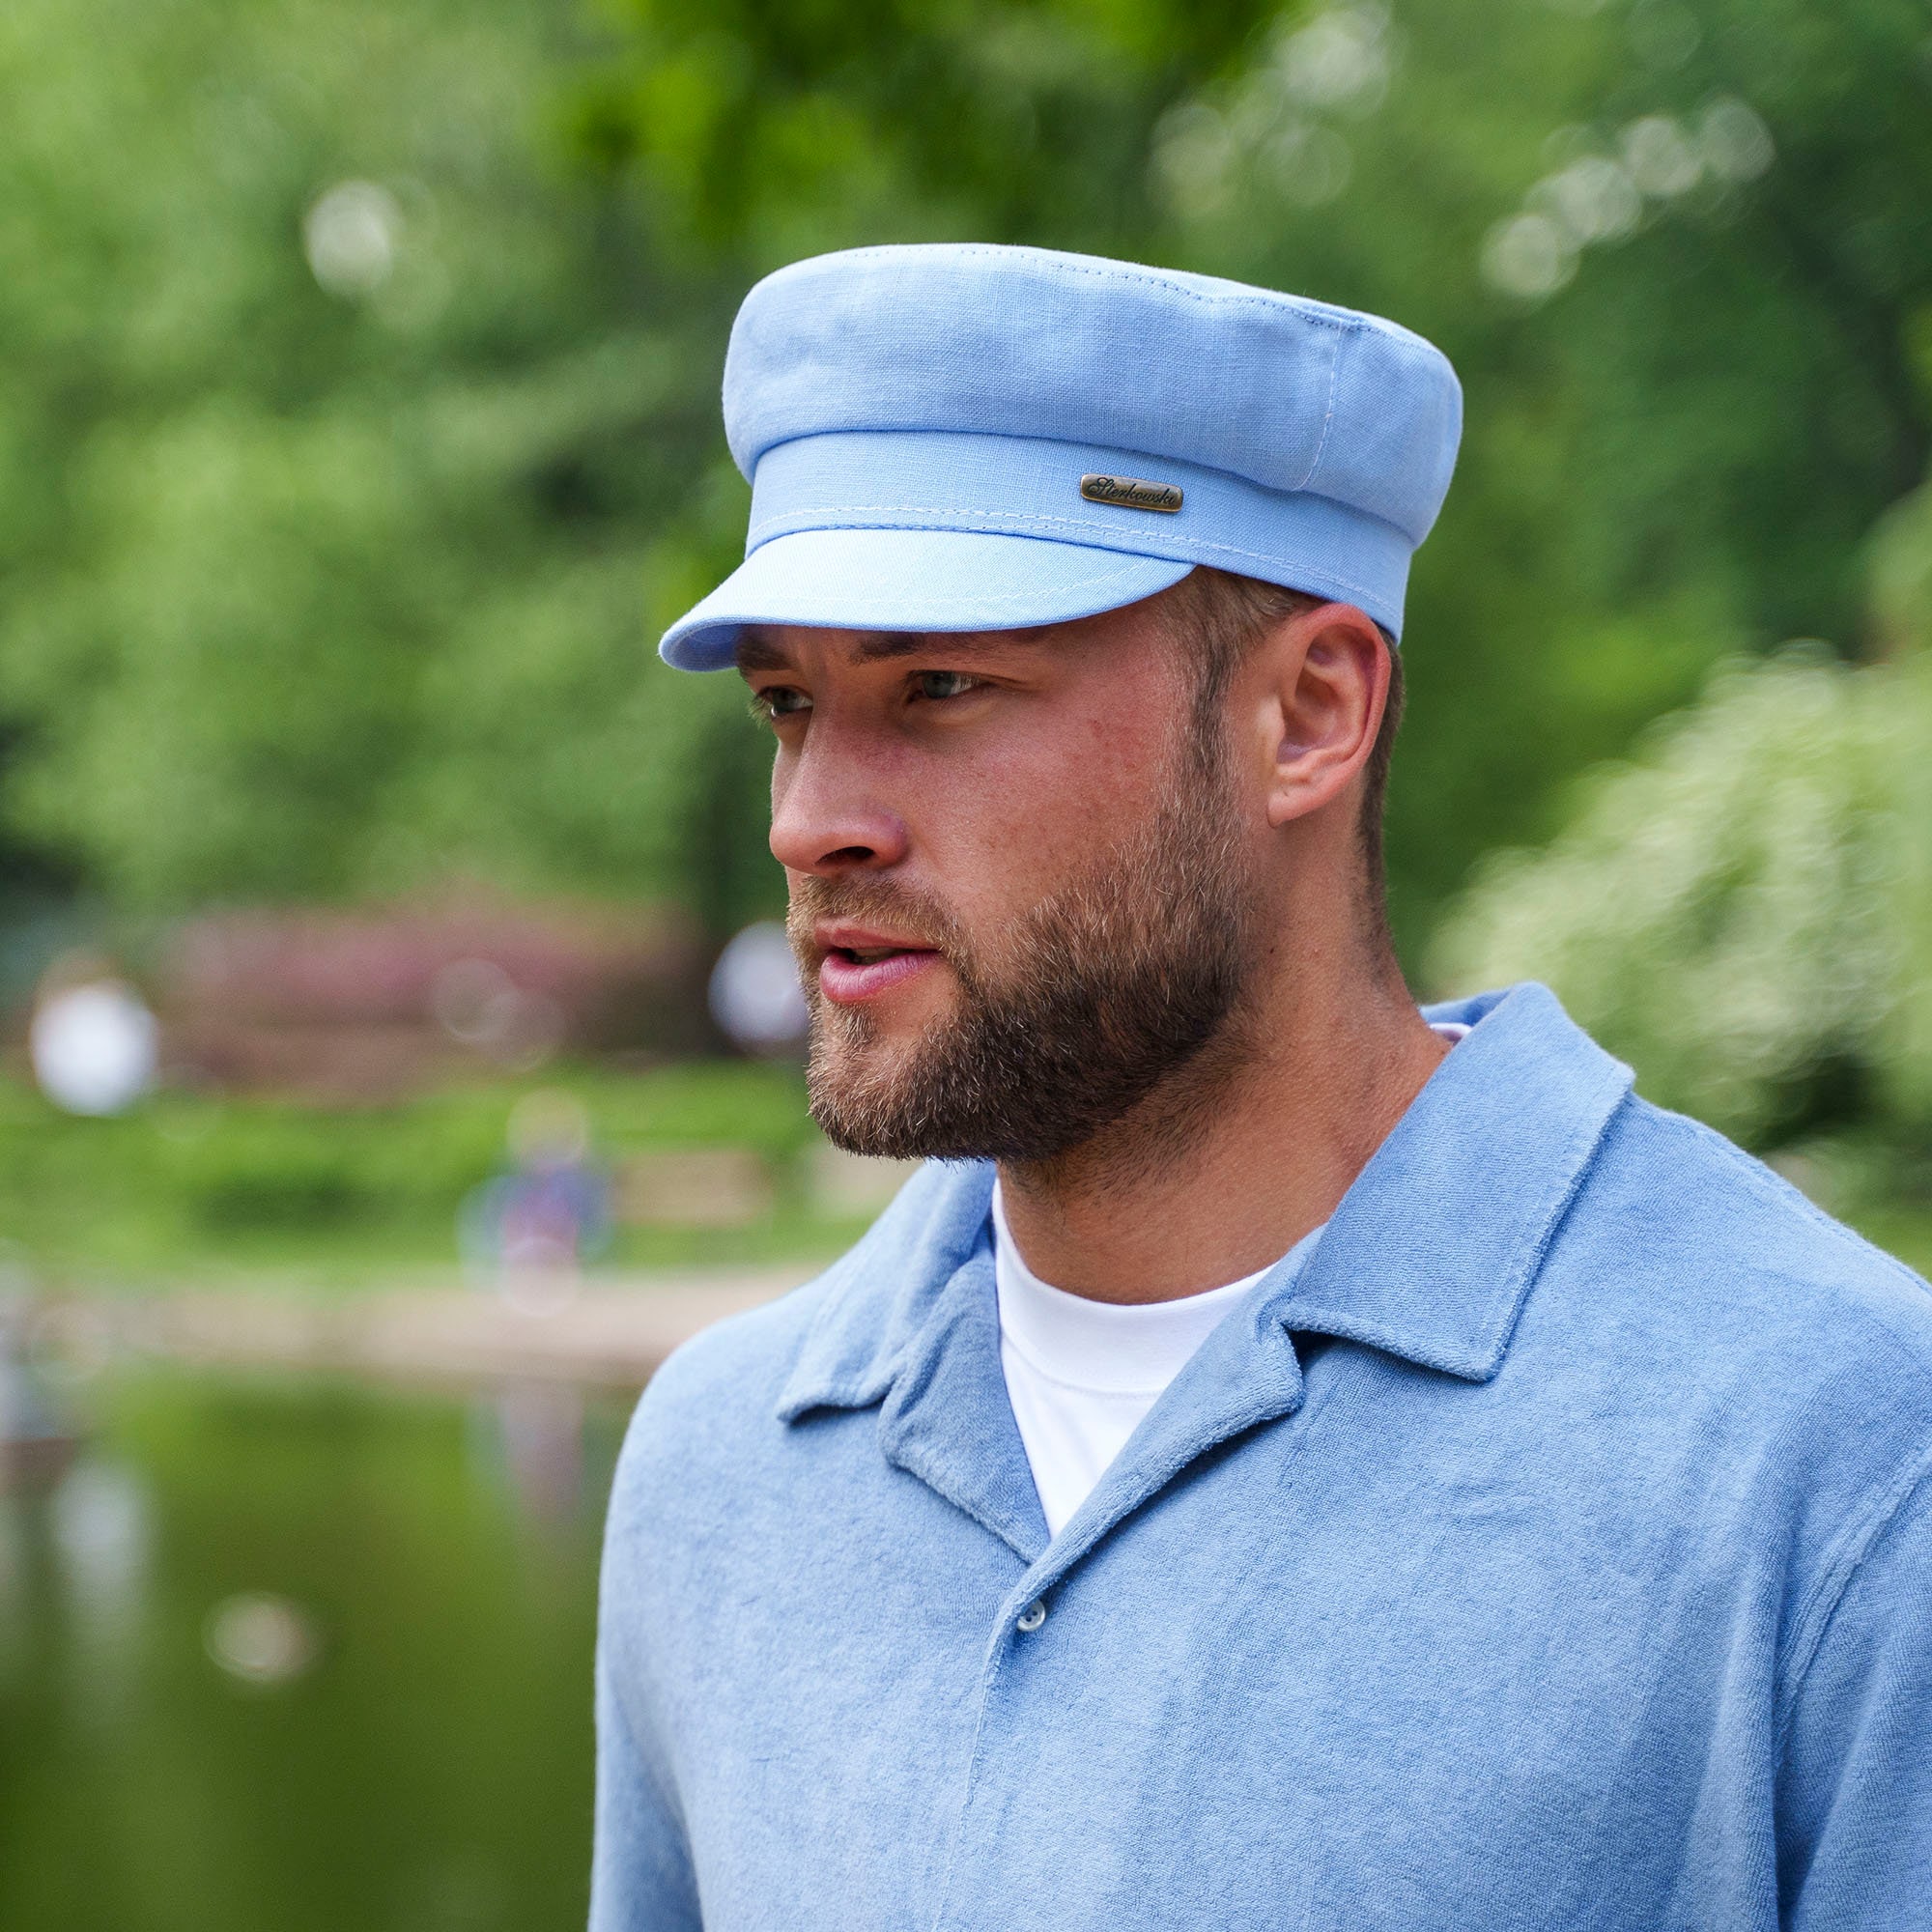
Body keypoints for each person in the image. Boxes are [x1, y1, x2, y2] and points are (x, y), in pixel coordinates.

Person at [590, 245, 1932, 1930]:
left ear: (1308, 713)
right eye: (790, 704)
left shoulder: (1840, 1456)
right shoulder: (719, 1468)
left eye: (938, 686)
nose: (809, 821)